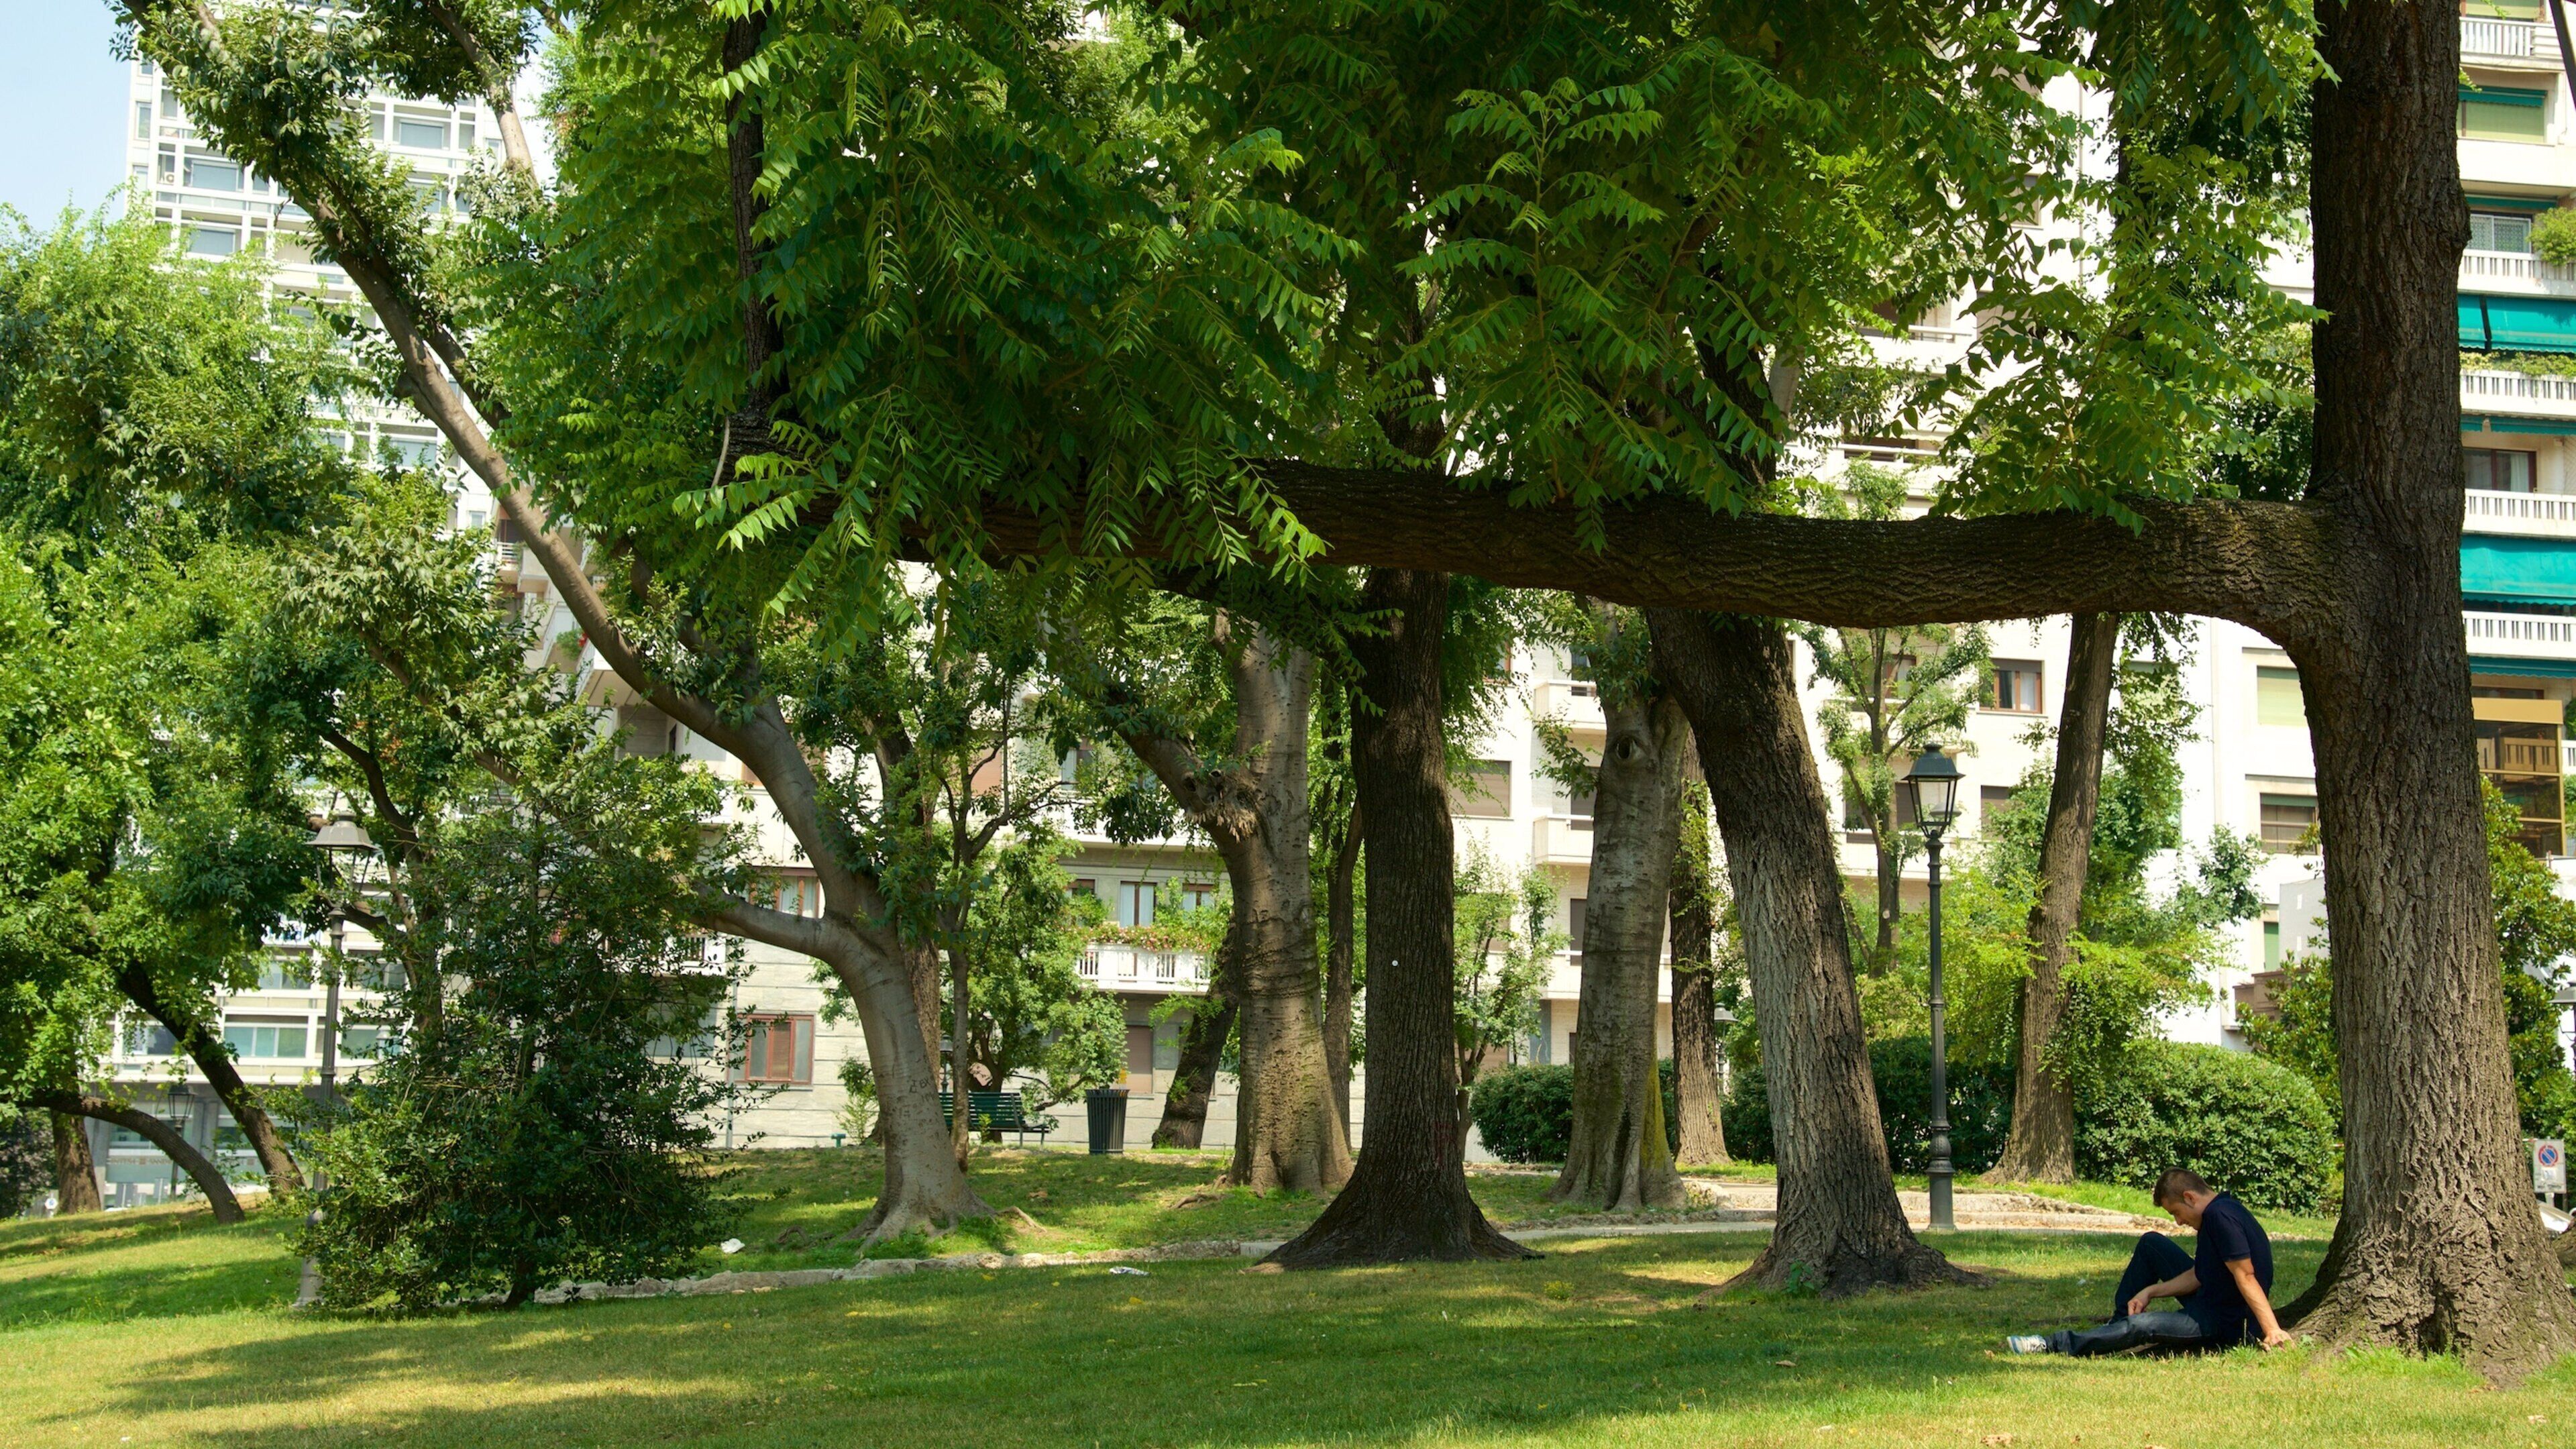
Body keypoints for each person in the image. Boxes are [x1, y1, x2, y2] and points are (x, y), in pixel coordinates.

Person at [2004, 1169, 2290, 1356]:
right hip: (2209, 1298)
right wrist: (2150, 1291)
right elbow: (2200, 1275)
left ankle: (2052, 1344)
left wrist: (2271, 1330)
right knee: (2152, 1243)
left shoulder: (2220, 1218)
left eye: (2177, 1212)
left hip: (2220, 1321)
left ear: (2189, 1197)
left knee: (2142, 1325)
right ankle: (2114, 1329)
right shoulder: (2221, 1210)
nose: (2178, 1222)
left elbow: (2246, 1276)